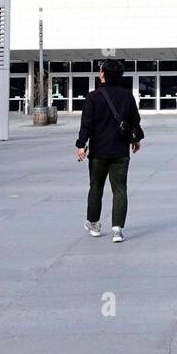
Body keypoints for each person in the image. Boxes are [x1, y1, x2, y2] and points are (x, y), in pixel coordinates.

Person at [76, 58, 144, 242]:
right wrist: (135, 139)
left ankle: (94, 224)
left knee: (96, 187)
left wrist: (81, 145)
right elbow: (134, 120)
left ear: (103, 74)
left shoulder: (93, 96)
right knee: (120, 189)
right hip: (120, 151)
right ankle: (117, 230)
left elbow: (86, 125)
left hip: (98, 152)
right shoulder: (127, 95)